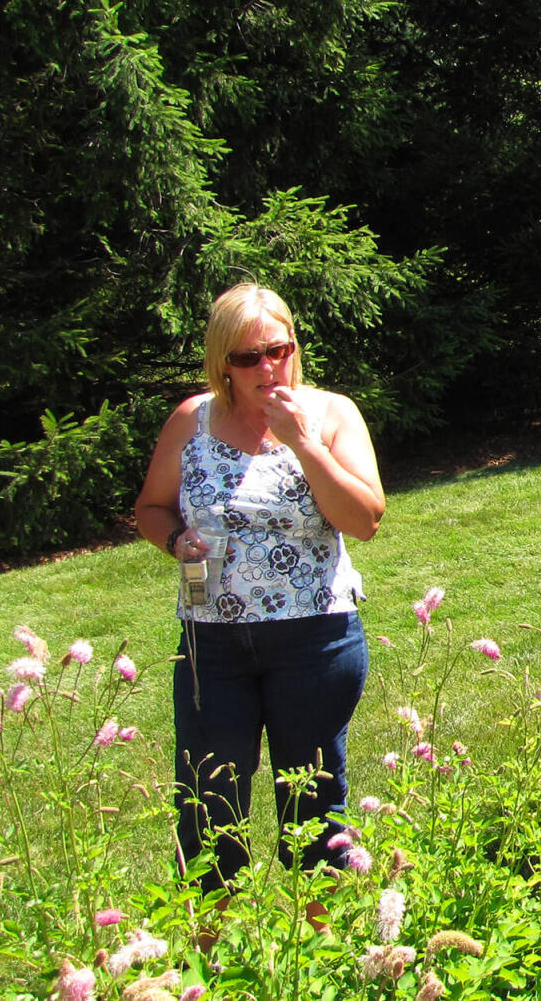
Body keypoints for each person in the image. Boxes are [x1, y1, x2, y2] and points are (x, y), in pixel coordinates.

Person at [135, 282, 385, 903]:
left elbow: (365, 520)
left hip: (314, 640)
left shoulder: (331, 414)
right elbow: (152, 508)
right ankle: (210, 965)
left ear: (294, 346)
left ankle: (324, 962)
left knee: (314, 808)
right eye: (248, 358)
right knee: (207, 806)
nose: (267, 367)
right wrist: (176, 543)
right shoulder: (191, 420)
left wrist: (302, 442)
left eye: (278, 350)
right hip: (212, 646)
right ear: (222, 362)